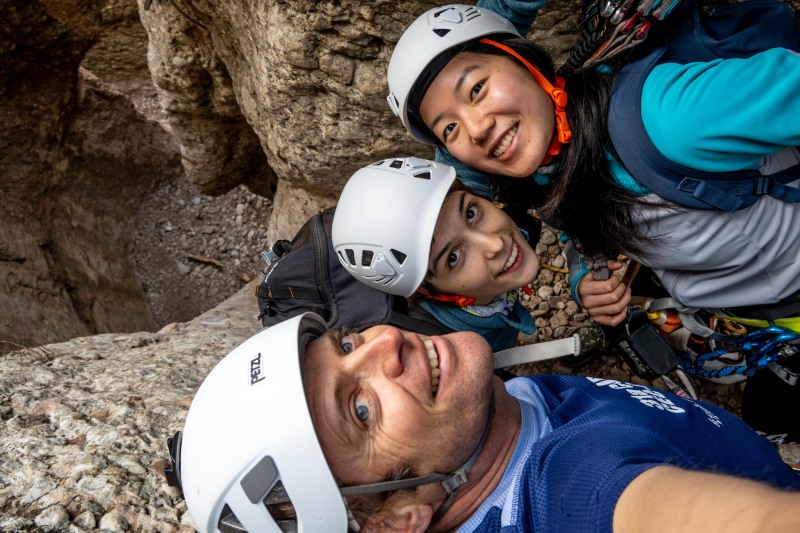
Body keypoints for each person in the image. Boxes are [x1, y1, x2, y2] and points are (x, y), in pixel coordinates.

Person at [385, 1, 800, 439]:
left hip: (784, 291)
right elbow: (573, 213)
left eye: (477, 88)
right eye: (449, 129)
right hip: (747, 296)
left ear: (525, 61)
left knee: (768, 422)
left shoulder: (669, 121)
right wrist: (583, 274)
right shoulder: (552, 167)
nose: (476, 127)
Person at [168, 312, 800, 532]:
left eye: (348, 342)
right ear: (397, 519)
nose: (387, 342)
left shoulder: (492, 420)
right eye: (360, 409)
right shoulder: (563, 483)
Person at [331, 156, 541, 352]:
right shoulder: (449, 350)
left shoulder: (460, 182)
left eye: (471, 213)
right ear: (432, 293)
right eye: (453, 258)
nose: (496, 245)